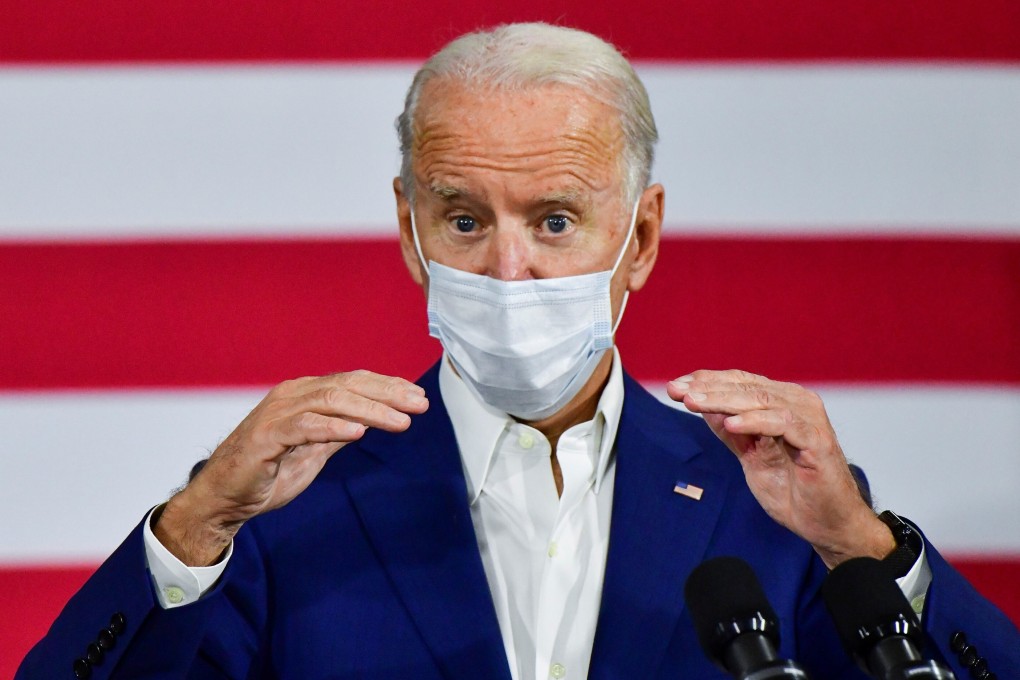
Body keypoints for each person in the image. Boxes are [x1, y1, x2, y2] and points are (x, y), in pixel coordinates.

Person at [18, 23, 1019, 680]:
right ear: (409, 230)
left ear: (641, 237)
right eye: (463, 220)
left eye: (553, 220)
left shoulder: (772, 501)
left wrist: (864, 549)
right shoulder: (283, 503)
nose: (508, 269)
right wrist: (194, 526)